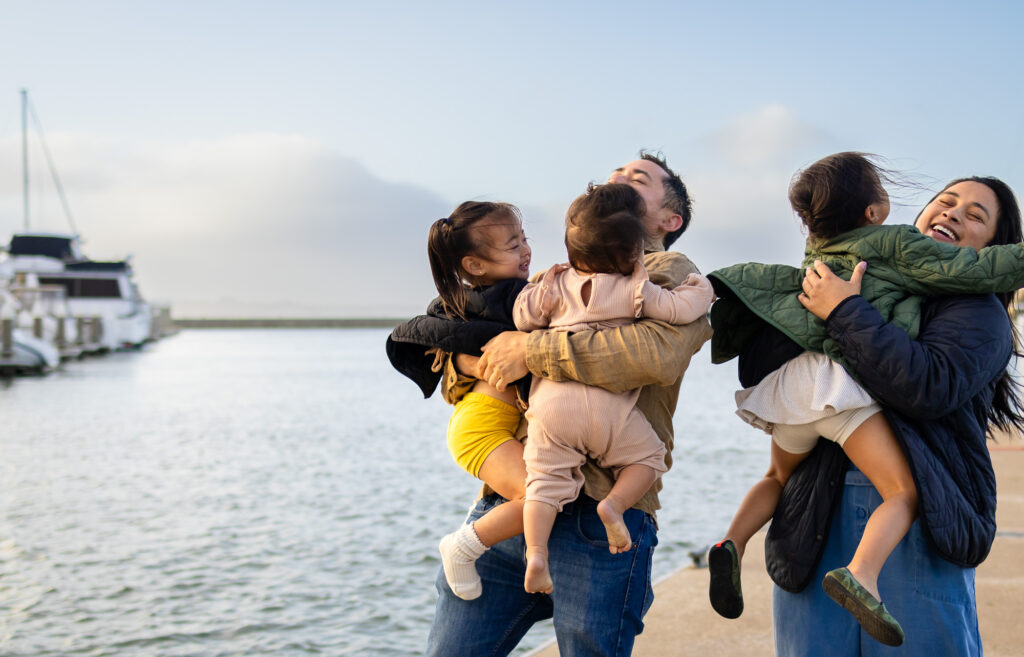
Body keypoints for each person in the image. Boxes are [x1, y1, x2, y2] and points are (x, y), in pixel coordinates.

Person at [707, 155, 1024, 646]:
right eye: (946, 202)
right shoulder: (856, 268)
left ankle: (740, 540)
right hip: (813, 517)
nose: (955, 213)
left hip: (919, 537)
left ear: (991, 248)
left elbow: (927, 387)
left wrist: (845, 311)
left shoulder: (979, 313)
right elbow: (763, 362)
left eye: (977, 215)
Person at [424, 152, 714, 657]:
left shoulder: (668, 271)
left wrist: (529, 350)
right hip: (513, 503)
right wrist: (473, 365)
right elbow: (460, 356)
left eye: (638, 179)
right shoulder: (555, 276)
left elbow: (654, 357)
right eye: (614, 175)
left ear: (670, 221)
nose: (618, 180)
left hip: (599, 521)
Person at [512, 183, 713, 594]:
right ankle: (614, 505)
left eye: (638, 182)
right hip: (606, 409)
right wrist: (703, 290)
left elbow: (521, 319)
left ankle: (535, 554)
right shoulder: (635, 288)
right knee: (648, 456)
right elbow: (681, 308)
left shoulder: (553, 283)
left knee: (543, 484)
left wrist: (534, 300)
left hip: (551, 407)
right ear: (633, 253)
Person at [385, 200, 532, 600]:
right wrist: (468, 364)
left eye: (524, 239)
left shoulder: (506, 301)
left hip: (487, 421)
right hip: (480, 427)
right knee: (539, 494)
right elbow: (449, 360)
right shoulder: (496, 305)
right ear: (476, 266)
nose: (526, 250)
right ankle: (463, 546)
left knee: (546, 493)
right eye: (512, 245)